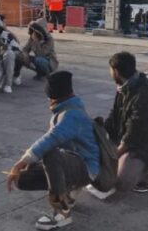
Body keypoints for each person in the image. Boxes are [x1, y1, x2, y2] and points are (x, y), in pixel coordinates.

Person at [7, 71, 100, 231]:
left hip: (86, 168)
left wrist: (21, 162)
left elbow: (51, 139)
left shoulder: (72, 114)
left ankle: (62, 213)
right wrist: (27, 165)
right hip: (73, 162)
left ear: (53, 97)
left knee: (50, 154)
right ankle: (69, 193)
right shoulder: (68, 108)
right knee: (22, 178)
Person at [99, 51, 148, 194]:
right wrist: (101, 131)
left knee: (122, 181)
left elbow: (134, 133)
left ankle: (142, 175)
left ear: (116, 71)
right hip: (125, 137)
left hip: (143, 146)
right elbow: (114, 115)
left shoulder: (144, 94)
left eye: (110, 70)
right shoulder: (124, 88)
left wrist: (113, 155)